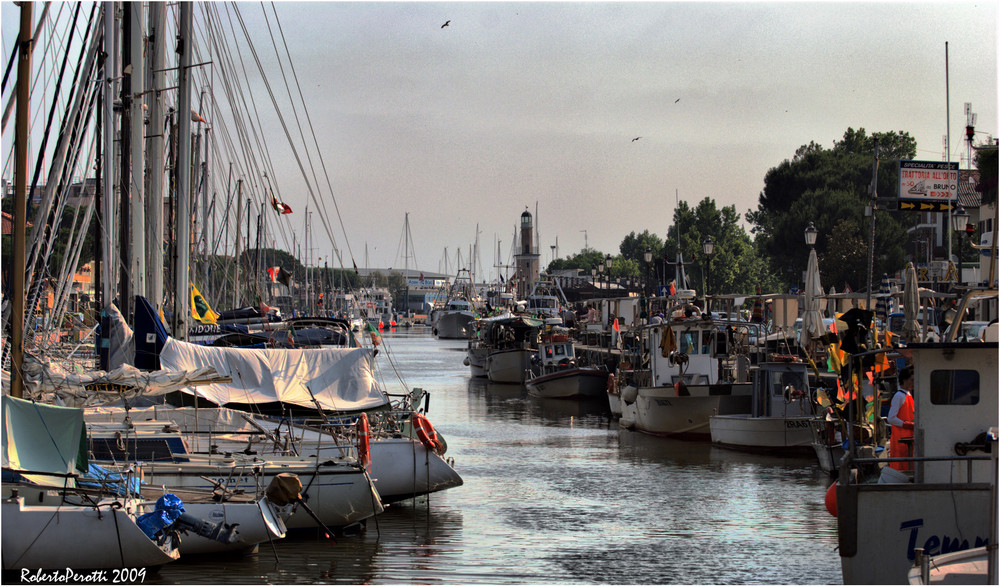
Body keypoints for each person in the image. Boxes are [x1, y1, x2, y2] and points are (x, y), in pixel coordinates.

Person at [887, 364, 915, 472]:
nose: (913, 383)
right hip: (900, 437)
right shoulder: (899, 396)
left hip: (908, 437)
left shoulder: (908, 395)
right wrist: (907, 424)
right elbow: (891, 418)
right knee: (900, 466)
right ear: (904, 380)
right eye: (911, 380)